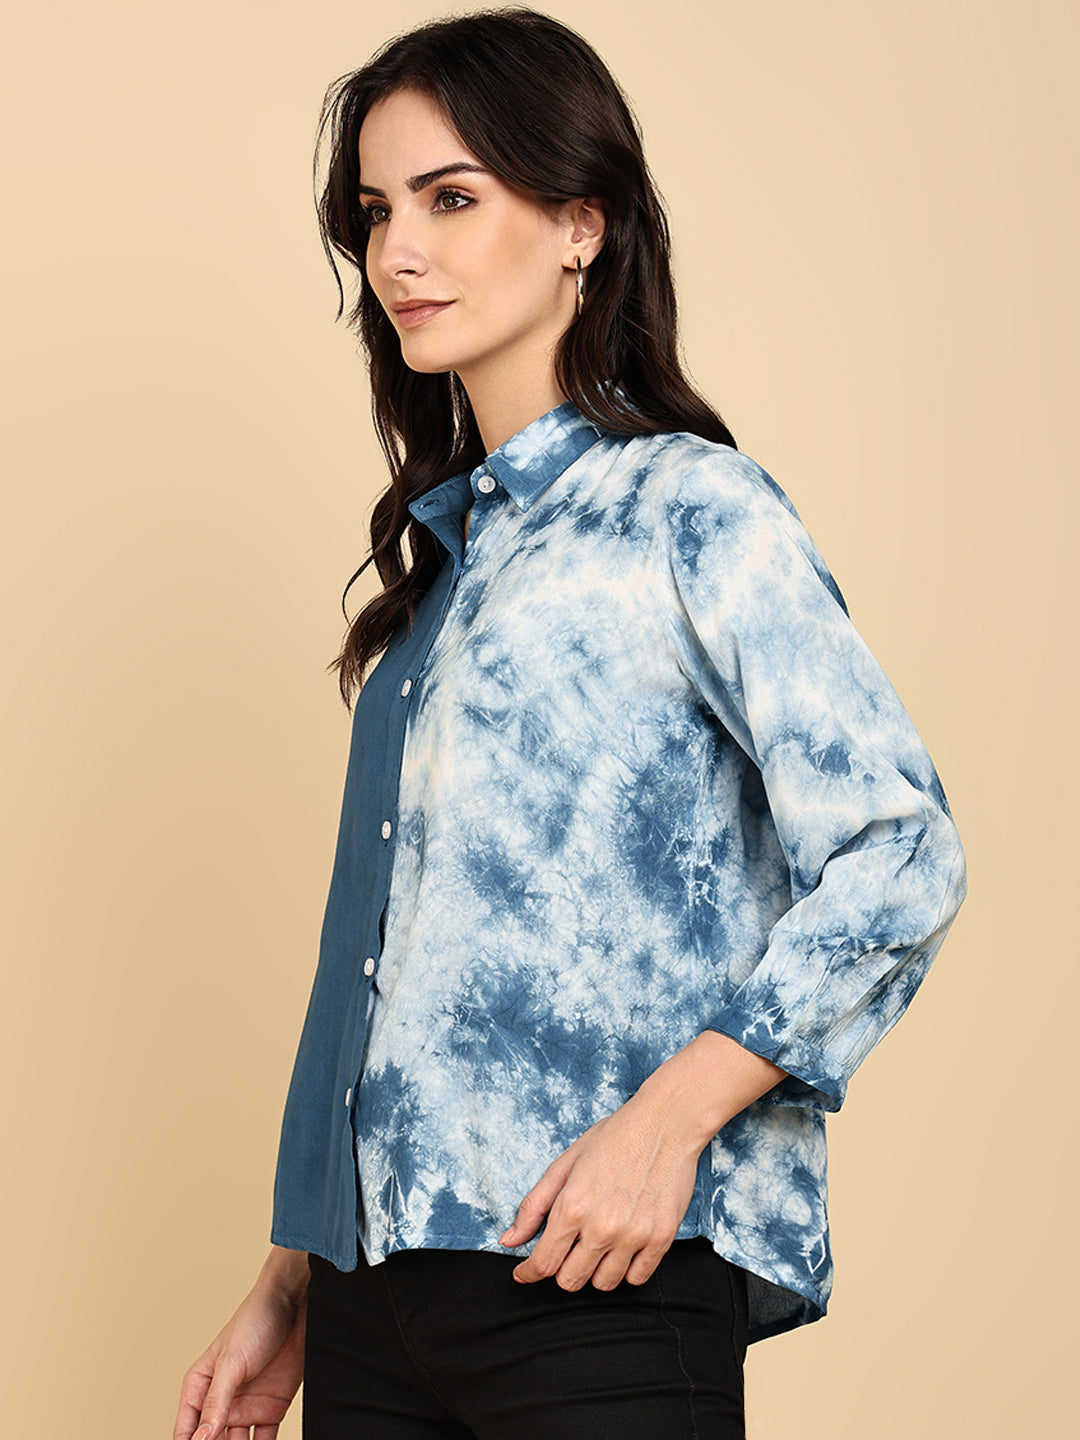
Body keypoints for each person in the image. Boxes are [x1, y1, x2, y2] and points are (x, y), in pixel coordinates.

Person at [173, 8, 968, 1439]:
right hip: (371, 1300)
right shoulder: (443, 577)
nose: (397, 253)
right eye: (376, 212)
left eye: (451, 198)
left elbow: (900, 857)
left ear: (581, 225)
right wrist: (291, 1281)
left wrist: (666, 1126)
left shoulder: (689, 510)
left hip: (596, 1280)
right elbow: (394, 966)